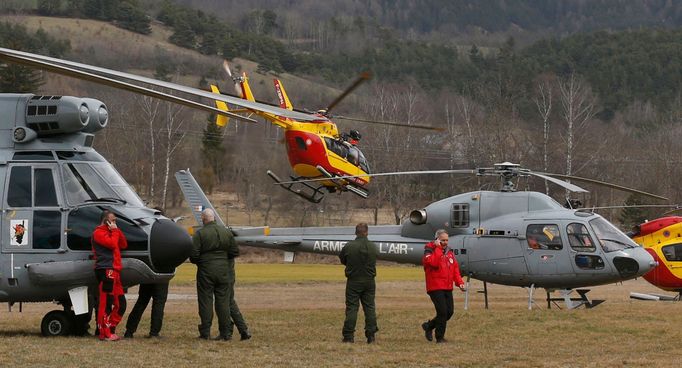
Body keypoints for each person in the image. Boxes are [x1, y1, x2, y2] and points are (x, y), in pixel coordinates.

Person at [190, 208, 239, 340]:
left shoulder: (200, 234)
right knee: (223, 302)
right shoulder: (226, 232)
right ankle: (225, 333)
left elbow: (193, 256)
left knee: (205, 301)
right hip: (224, 271)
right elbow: (235, 252)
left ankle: (205, 332)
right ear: (214, 218)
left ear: (203, 219)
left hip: (206, 271)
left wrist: (203, 262)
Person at [421, 229, 465, 343]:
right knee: (442, 312)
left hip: (447, 286)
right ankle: (440, 338)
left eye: (446, 240)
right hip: (435, 287)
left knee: (449, 312)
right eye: (442, 240)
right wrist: (438, 248)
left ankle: (429, 326)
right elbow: (433, 263)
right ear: (437, 239)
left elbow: (455, 268)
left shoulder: (449, 252)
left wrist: (460, 282)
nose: (445, 242)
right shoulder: (429, 250)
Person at [92, 210, 128, 341]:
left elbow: (123, 244)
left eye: (115, 221)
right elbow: (113, 244)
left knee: (121, 304)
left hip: (115, 271)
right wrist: (114, 231)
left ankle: (111, 327)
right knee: (106, 303)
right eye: (113, 220)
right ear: (106, 220)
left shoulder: (114, 232)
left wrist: (116, 230)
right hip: (105, 270)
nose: (115, 223)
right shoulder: (98, 233)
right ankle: (104, 333)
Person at [339, 223, 378, 344]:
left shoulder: (349, 246)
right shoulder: (373, 247)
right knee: (370, 307)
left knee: (352, 308)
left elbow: (343, 260)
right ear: (367, 232)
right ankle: (371, 335)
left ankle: (348, 336)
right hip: (369, 281)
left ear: (355, 232)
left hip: (354, 281)